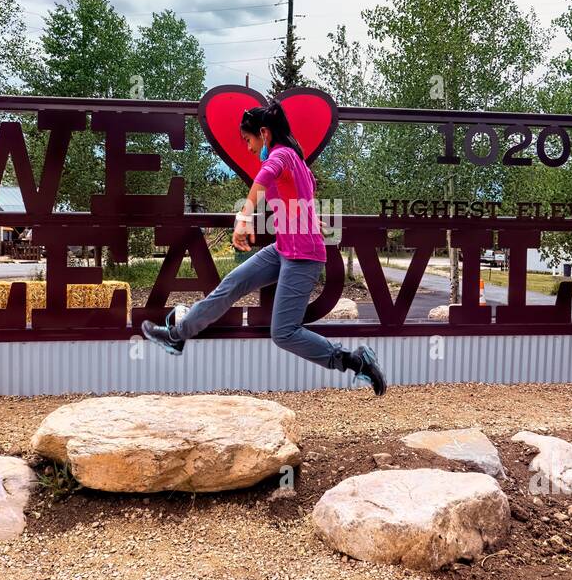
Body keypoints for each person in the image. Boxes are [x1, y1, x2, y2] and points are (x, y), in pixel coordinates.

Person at [140, 99, 387, 395]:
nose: (248, 148)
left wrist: (243, 218)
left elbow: (264, 179)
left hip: (303, 257)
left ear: (264, 133)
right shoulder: (297, 159)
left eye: (248, 140)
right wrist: (312, 219)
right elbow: (301, 197)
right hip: (284, 248)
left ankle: (355, 361)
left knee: (283, 333)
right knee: (232, 283)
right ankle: (178, 336)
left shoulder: (281, 157)